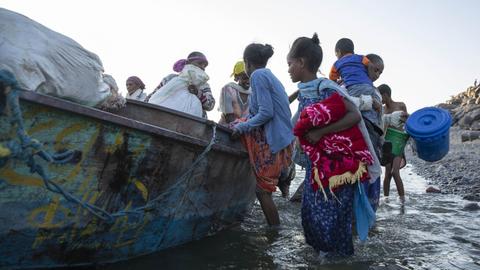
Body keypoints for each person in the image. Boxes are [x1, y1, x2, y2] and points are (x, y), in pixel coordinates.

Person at [288, 33, 380, 257]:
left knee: (333, 216)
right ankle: (325, 258)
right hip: (317, 166)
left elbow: (354, 115)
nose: (289, 69)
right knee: (310, 214)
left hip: (336, 166)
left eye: (290, 64)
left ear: (301, 62)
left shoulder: (325, 88)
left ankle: (335, 259)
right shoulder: (305, 90)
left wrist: (321, 132)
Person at [231, 43, 294, 226]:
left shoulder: (258, 76)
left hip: (275, 138)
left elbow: (266, 113)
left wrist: (241, 128)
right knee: (263, 190)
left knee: (262, 192)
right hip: (282, 137)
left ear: (247, 63)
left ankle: (274, 233)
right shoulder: (268, 75)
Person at [146, 52, 215, 118]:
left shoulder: (203, 85)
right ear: (188, 63)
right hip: (161, 116)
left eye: (205, 66)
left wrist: (198, 93)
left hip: (192, 122)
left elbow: (210, 105)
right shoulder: (171, 78)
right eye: (200, 63)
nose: (203, 67)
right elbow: (153, 96)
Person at [378, 84, 408, 201]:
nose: (379, 99)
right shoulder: (382, 110)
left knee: (395, 172)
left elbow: (407, 123)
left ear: (385, 95)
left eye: (380, 96)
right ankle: (386, 200)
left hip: (399, 141)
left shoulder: (401, 105)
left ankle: (402, 201)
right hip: (387, 142)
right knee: (387, 175)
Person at [218, 61, 251, 125]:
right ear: (237, 77)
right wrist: (240, 128)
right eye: (245, 78)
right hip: (225, 130)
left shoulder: (253, 94)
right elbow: (229, 116)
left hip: (245, 131)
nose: (248, 81)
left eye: (250, 78)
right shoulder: (228, 89)